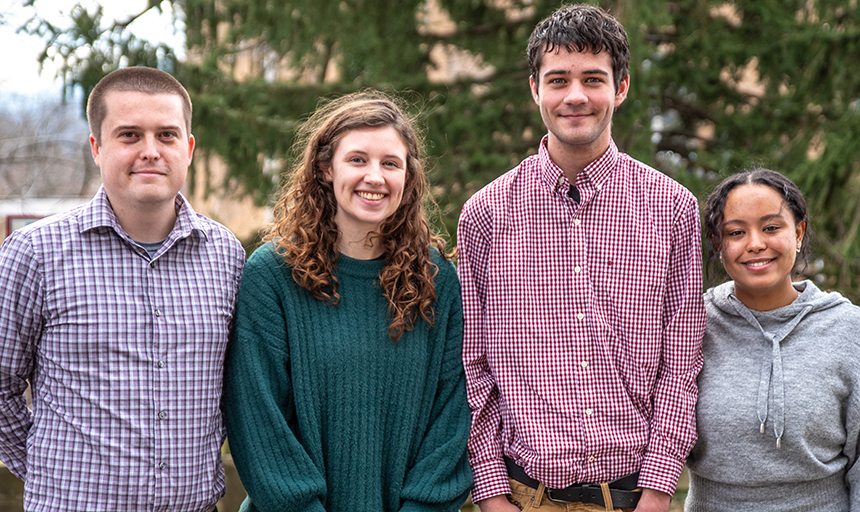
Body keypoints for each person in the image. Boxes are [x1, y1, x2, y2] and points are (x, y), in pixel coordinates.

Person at [457, 4, 706, 512]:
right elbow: (472, 365)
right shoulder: (484, 213)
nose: (575, 96)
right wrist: (492, 496)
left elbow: (682, 363)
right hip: (525, 495)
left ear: (621, 88)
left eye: (593, 79)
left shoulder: (672, 208)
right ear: (535, 89)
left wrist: (659, 492)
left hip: (635, 496)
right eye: (558, 80)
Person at [0, 66, 245, 511]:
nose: (150, 151)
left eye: (167, 135)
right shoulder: (34, 252)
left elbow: (234, 388)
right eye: (129, 135)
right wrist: (45, 468)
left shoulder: (225, 254)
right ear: (97, 147)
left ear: (188, 149)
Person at [222, 90, 472, 512]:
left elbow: (453, 415)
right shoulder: (272, 275)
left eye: (390, 163)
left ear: (407, 176)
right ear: (325, 169)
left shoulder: (435, 279)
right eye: (357, 160)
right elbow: (258, 419)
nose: (375, 176)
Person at [685, 169, 860, 511]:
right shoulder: (691, 323)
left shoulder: (848, 329)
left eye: (771, 228)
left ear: (798, 232)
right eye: (736, 232)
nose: (755, 244)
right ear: (719, 245)